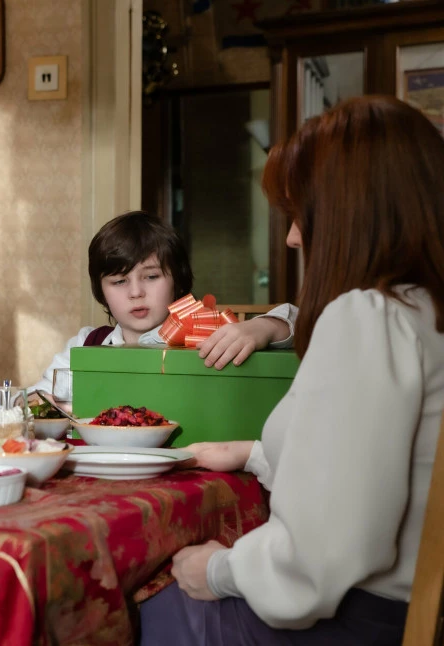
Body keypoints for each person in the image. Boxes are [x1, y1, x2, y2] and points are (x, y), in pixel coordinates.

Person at [139, 96, 444, 645]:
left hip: (352, 623)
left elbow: (322, 554)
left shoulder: (367, 318)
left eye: (302, 213)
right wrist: (254, 454)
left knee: (136, 601)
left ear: (351, 213)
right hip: (398, 617)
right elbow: (376, 470)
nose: (293, 237)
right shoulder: (423, 311)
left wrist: (218, 570)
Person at [30, 211, 296, 395]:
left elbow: (298, 320)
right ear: (100, 291)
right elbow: (35, 400)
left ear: (177, 281)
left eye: (151, 277)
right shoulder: (85, 344)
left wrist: (263, 328)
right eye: (119, 281)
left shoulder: (208, 339)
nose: (136, 292)